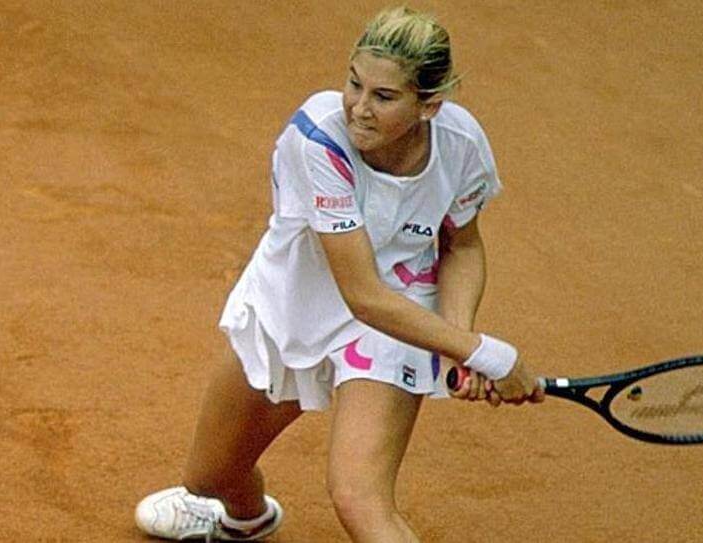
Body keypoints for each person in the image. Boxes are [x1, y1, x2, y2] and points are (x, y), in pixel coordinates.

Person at [135, 6, 544, 542]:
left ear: (429, 105)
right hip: (299, 303)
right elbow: (361, 295)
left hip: (397, 314)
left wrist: (455, 342)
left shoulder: (460, 144)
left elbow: (461, 244)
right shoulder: (319, 140)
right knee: (208, 478)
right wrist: (483, 353)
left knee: (359, 497)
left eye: (384, 96)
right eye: (354, 84)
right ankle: (246, 516)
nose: (359, 109)